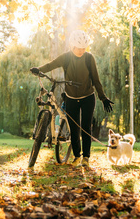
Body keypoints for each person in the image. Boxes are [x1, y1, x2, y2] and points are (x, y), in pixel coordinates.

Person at [30, 30, 114, 168]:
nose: (81, 51)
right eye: (79, 48)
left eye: (84, 48)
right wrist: (38, 70)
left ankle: (86, 158)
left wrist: (103, 98)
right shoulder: (66, 57)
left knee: (86, 127)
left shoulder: (89, 58)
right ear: (72, 46)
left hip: (88, 97)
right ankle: (76, 156)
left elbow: (96, 79)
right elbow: (51, 64)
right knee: (74, 129)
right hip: (70, 97)